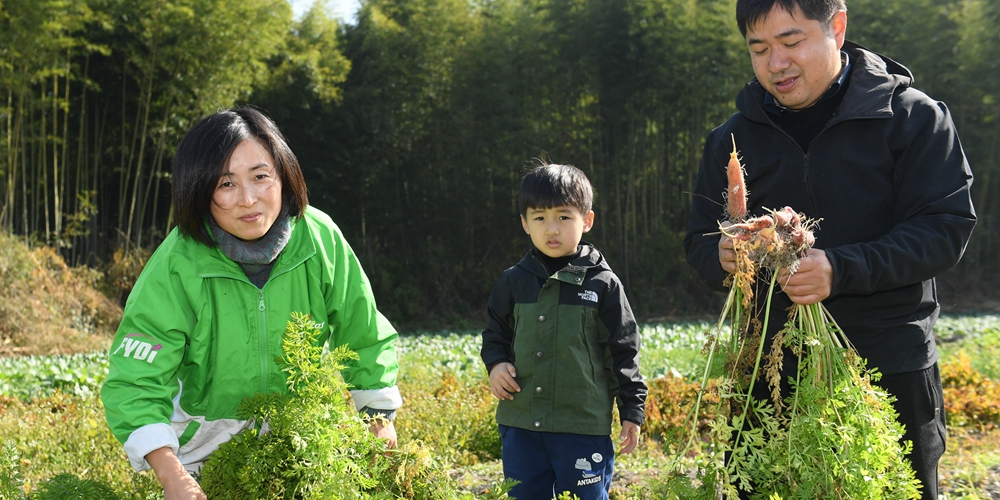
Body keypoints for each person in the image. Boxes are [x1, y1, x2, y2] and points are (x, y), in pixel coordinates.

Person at [683, 0, 977, 499]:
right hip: (769, 373)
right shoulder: (730, 139)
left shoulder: (911, 118)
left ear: (836, 28)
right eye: (759, 48)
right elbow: (697, 241)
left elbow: (943, 229)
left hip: (887, 365)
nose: (776, 63)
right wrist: (722, 257)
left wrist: (841, 269)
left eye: (791, 42)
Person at [101, 106, 402, 500]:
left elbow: (363, 332)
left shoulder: (319, 240)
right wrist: (174, 476)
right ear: (199, 189)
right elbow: (134, 380)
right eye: (226, 184)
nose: (248, 199)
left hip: (299, 440)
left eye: (261, 177)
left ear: (284, 175)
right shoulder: (177, 264)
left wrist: (378, 417)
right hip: (202, 448)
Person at [480, 163, 647, 500]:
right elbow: (494, 335)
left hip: (581, 426)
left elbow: (623, 350)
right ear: (525, 223)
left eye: (563, 217)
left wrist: (632, 410)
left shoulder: (603, 284)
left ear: (587, 220)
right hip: (522, 423)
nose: (551, 228)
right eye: (539, 218)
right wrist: (496, 364)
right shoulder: (512, 281)